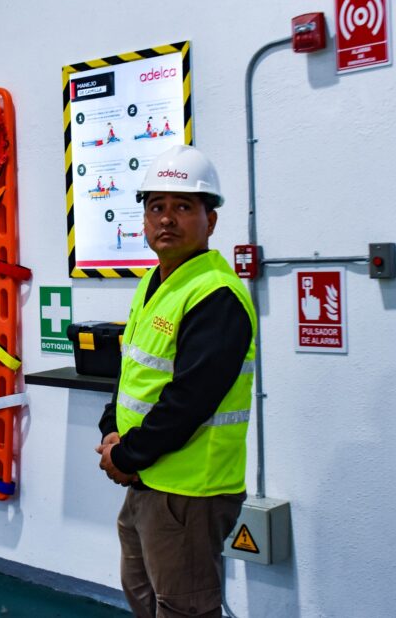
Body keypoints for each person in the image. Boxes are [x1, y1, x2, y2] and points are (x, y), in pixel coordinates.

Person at [96, 145, 255, 618]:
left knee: (184, 608)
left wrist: (126, 455)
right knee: (144, 596)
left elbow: (189, 399)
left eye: (183, 207)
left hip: (189, 492)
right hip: (147, 478)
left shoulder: (216, 295)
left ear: (211, 220)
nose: (166, 218)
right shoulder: (156, 283)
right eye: (156, 207)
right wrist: (111, 428)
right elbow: (133, 369)